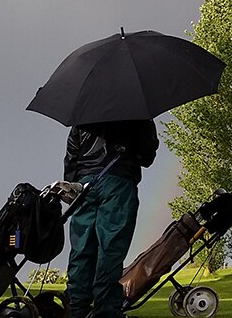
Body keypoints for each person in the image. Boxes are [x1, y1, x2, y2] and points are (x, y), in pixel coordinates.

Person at [63, 120, 158, 318]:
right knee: (111, 248)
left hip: (84, 185)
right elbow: (147, 157)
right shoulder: (138, 114)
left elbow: (72, 155)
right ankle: (105, 309)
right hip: (119, 183)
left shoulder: (83, 115)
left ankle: (76, 306)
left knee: (81, 248)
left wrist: (74, 185)